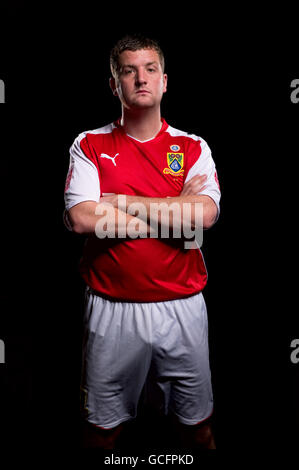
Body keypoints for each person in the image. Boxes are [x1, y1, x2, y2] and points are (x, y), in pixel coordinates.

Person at [64, 34, 220, 449]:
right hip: (111, 307)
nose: (140, 78)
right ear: (115, 84)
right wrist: (172, 214)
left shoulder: (192, 147)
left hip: (182, 306)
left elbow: (202, 216)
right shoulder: (89, 144)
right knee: (101, 431)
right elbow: (81, 219)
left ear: (165, 81)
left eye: (150, 69)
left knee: (198, 429)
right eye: (129, 71)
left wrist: (120, 203)